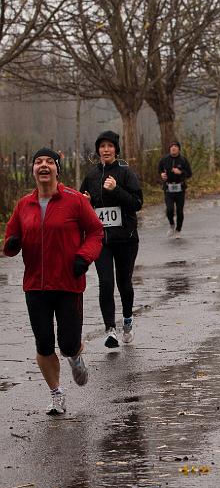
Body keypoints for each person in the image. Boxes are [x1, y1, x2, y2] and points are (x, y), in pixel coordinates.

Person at [3, 148, 103, 415]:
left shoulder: (75, 200)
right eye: (38, 162)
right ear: (33, 170)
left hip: (69, 282)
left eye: (49, 162)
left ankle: (75, 355)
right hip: (35, 285)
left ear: (58, 169)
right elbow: (10, 239)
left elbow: (96, 232)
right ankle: (56, 394)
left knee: (68, 342)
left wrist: (85, 256)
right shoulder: (24, 204)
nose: (43, 165)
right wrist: (12, 245)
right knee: (44, 343)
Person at [80, 131, 143, 349]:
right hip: (101, 240)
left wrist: (116, 190)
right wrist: (86, 203)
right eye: (102, 146)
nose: (106, 150)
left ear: (116, 149)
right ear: (98, 150)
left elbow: (136, 203)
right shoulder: (91, 176)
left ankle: (127, 320)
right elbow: (81, 207)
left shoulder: (126, 173)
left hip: (126, 238)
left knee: (123, 282)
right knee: (105, 283)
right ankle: (110, 330)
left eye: (110, 146)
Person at [157, 141, 192, 237]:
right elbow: (159, 169)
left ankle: (178, 230)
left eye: (175, 146)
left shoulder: (183, 160)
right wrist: (162, 175)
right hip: (168, 188)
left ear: (179, 149)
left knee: (180, 211)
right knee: (169, 209)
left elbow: (189, 174)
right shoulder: (164, 159)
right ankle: (172, 225)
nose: (173, 148)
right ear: (169, 149)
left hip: (180, 188)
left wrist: (180, 172)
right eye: (171, 146)